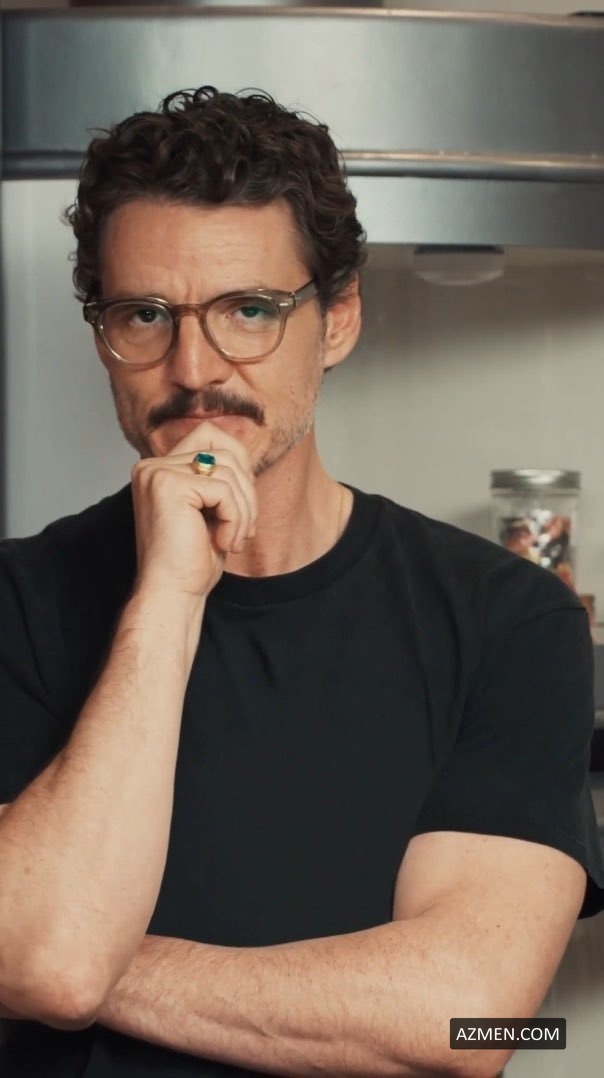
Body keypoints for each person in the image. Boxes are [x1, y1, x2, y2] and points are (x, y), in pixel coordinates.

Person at [0, 86, 602, 1078]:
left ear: (338, 319)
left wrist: (78, 962)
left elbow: (471, 1024)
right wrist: (168, 599)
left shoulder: (509, 620)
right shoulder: (20, 603)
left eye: (250, 310)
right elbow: (48, 960)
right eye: (144, 314)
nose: (195, 369)